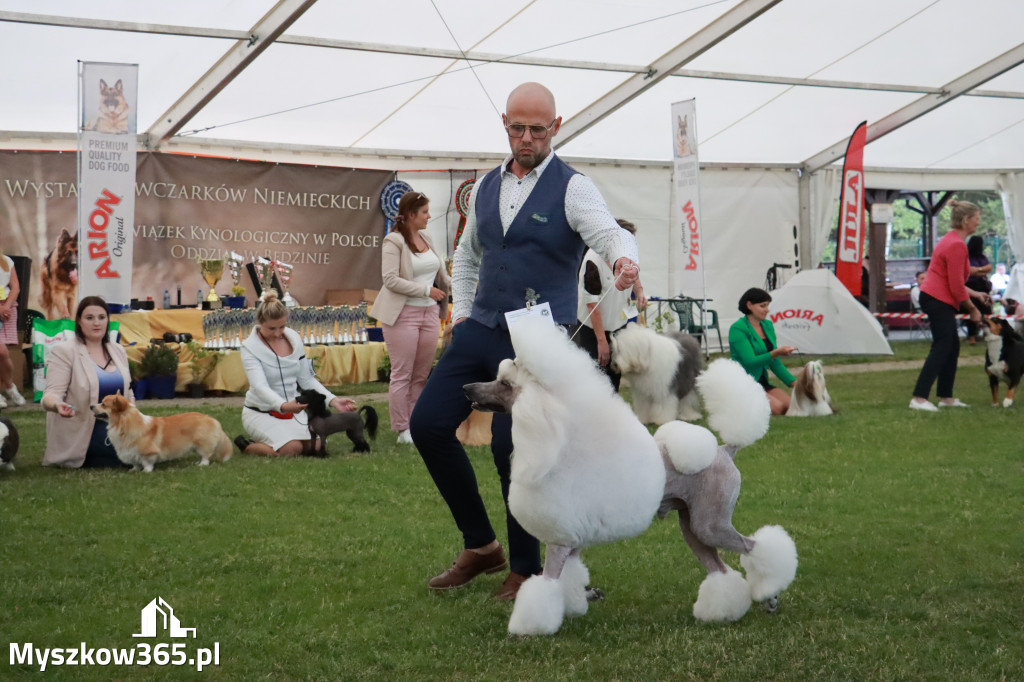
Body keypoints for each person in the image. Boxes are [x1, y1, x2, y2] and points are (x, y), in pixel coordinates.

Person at [408, 82, 640, 601]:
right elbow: (468, 256)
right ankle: (480, 545)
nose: (527, 137)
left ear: (556, 127)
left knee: (514, 447)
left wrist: (625, 259)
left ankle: (526, 568)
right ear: (505, 125)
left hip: (538, 336)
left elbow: (609, 233)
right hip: (480, 327)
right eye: (518, 127)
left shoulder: (574, 187)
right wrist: (464, 314)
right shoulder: (486, 185)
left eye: (538, 129)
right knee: (427, 426)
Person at [235, 290, 356, 456]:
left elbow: (306, 379)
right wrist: (283, 406)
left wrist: (333, 401)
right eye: (271, 328)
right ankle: (248, 446)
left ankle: (275, 443)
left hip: (293, 413)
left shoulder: (294, 338)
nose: (278, 333)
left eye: (282, 327)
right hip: (261, 412)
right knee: (292, 449)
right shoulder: (249, 348)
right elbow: (259, 387)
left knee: (318, 446)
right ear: (260, 323)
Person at [373, 191, 450, 444]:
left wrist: (463, 286)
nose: (429, 216)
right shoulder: (393, 241)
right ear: (410, 215)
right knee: (402, 373)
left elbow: (440, 274)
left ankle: (416, 423)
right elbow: (391, 280)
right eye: (425, 212)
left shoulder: (427, 236)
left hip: (429, 312)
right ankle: (402, 428)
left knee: (421, 374)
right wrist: (426, 290)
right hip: (402, 314)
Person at [910, 200, 990, 411]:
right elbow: (955, 285)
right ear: (965, 221)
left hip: (937, 297)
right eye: (976, 218)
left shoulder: (952, 241)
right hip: (937, 299)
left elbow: (954, 279)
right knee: (943, 346)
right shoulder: (956, 245)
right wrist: (973, 309)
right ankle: (919, 398)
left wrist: (976, 294)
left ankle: (946, 397)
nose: (978, 222)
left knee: (951, 346)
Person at [41, 296, 133, 468]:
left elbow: (129, 393)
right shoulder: (64, 352)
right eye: (89, 318)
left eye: (101, 317)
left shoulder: (118, 350)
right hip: (85, 430)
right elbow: (51, 394)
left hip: (120, 426)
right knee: (125, 456)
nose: (96, 323)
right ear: (79, 322)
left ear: (107, 321)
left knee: (157, 444)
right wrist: (57, 405)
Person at [574, 218, 646, 391]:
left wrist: (641, 291)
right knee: (594, 375)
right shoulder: (593, 261)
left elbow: (633, 274)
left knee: (614, 374)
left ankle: (611, 410)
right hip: (592, 329)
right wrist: (602, 341)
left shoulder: (625, 255)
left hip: (617, 325)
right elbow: (592, 306)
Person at [728, 287, 796, 415]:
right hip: (745, 383)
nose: (767, 310)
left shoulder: (768, 326)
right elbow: (750, 362)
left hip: (762, 382)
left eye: (768, 305)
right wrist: (777, 352)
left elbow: (775, 363)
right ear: (749, 305)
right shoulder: (737, 329)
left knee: (791, 407)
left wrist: (795, 383)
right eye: (762, 306)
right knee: (778, 409)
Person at [0, 248, 25, 408]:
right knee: (1, 351)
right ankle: (10, 388)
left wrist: (6, 306)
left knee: (3, 354)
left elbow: (15, 287)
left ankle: (9, 387)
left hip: (7, 310)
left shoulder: (7, 261)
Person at [963, 235, 993, 345]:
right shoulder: (966, 257)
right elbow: (969, 271)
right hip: (971, 288)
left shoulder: (981, 257)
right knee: (973, 310)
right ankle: (972, 336)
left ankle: (982, 334)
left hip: (980, 287)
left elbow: (989, 268)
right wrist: (982, 270)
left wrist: (977, 270)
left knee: (986, 311)